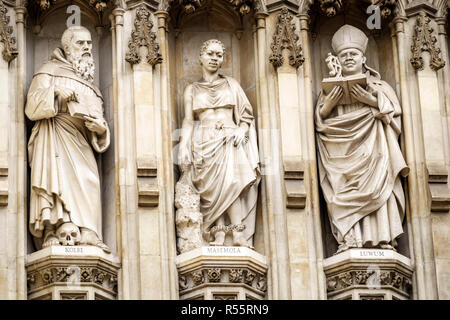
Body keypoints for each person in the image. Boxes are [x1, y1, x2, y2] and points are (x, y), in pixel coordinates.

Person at [315, 25, 409, 254]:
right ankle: (351, 240)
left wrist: (370, 99)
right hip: (341, 153)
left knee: (377, 188)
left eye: (353, 54)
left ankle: (381, 238)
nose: (348, 58)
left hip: (374, 152)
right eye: (343, 55)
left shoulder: (380, 86)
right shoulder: (329, 89)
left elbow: (394, 115)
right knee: (341, 192)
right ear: (336, 59)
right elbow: (320, 122)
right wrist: (329, 103)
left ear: (363, 58)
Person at [26, 26, 110, 253]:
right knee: (56, 180)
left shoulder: (90, 84)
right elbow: (31, 107)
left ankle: (88, 232)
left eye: (89, 44)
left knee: (89, 179)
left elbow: (100, 123)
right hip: (55, 137)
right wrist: (55, 92)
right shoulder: (49, 70)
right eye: (80, 43)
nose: (86, 48)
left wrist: (101, 130)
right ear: (67, 46)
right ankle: (54, 230)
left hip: (82, 142)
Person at [178, 39, 260, 248]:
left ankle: (238, 233)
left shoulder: (232, 84)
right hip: (203, 142)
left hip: (229, 139)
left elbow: (246, 115)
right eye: (210, 54)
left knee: (231, 183)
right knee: (211, 189)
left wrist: (242, 130)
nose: (214, 58)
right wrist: (183, 147)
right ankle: (220, 233)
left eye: (218, 55)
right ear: (201, 57)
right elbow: (188, 120)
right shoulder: (192, 89)